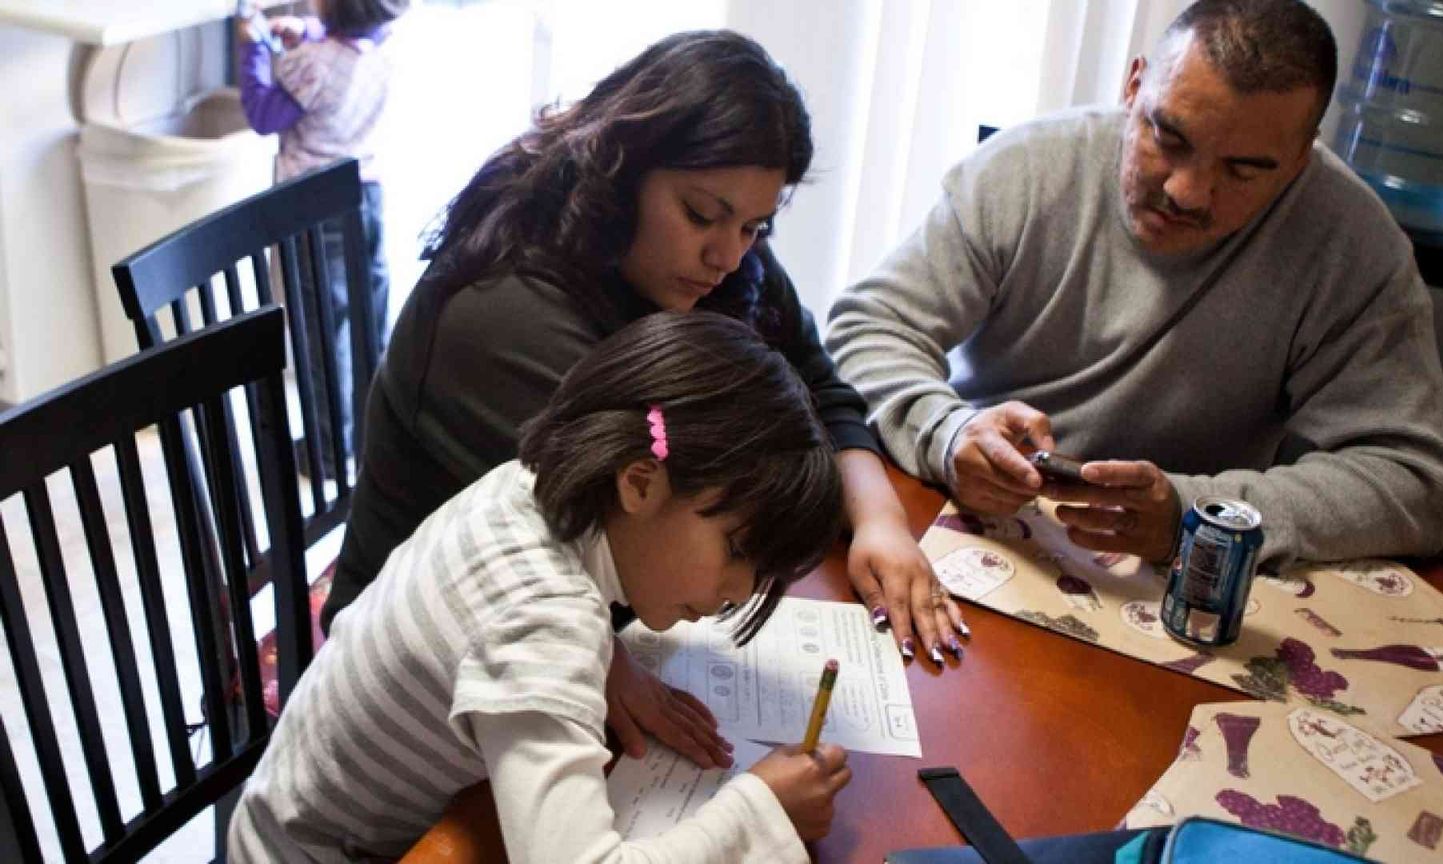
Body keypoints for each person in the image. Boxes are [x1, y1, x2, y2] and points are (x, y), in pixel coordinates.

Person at [322, 30, 969, 770]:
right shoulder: (502, 315)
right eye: (701, 215)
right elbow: (635, 533)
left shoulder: (715, 260)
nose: (727, 254)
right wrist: (611, 664)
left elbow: (816, 382)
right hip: (430, 693)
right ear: (620, 168)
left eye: (755, 226)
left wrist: (880, 520)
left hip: (602, 621)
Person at [825, 0, 1443, 572]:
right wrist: (948, 433)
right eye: (1169, 136)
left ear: (1300, 158)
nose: (1186, 192)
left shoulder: (1353, 244)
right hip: (961, 517)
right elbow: (870, 323)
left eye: (1242, 169)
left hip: (1176, 571)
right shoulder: (1028, 168)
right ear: (1133, 88)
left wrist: (1195, 514)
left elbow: (1414, 484)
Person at [229, 312, 852, 862]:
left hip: (300, 818)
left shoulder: (530, 483)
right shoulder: (545, 616)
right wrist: (763, 811)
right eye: (736, 550)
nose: (739, 592)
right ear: (639, 483)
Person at [237, 0, 403, 478]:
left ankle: (328, 451)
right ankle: (372, 436)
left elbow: (264, 114)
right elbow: (342, 51)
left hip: (313, 207)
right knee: (369, 318)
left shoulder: (313, 62)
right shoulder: (381, 47)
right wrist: (310, 30)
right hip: (366, 194)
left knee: (320, 330)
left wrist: (252, 49)